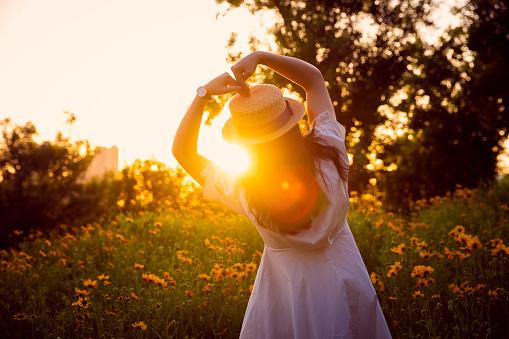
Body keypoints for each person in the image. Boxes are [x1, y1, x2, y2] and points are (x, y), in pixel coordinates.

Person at [172, 51, 391, 338]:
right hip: (346, 279)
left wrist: (203, 95)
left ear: (245, 142)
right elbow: (313, 80)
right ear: (291, 121)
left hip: (282, 298)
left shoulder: (245, 189)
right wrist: (260, 57)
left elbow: (183, 151)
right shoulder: (330, 152)